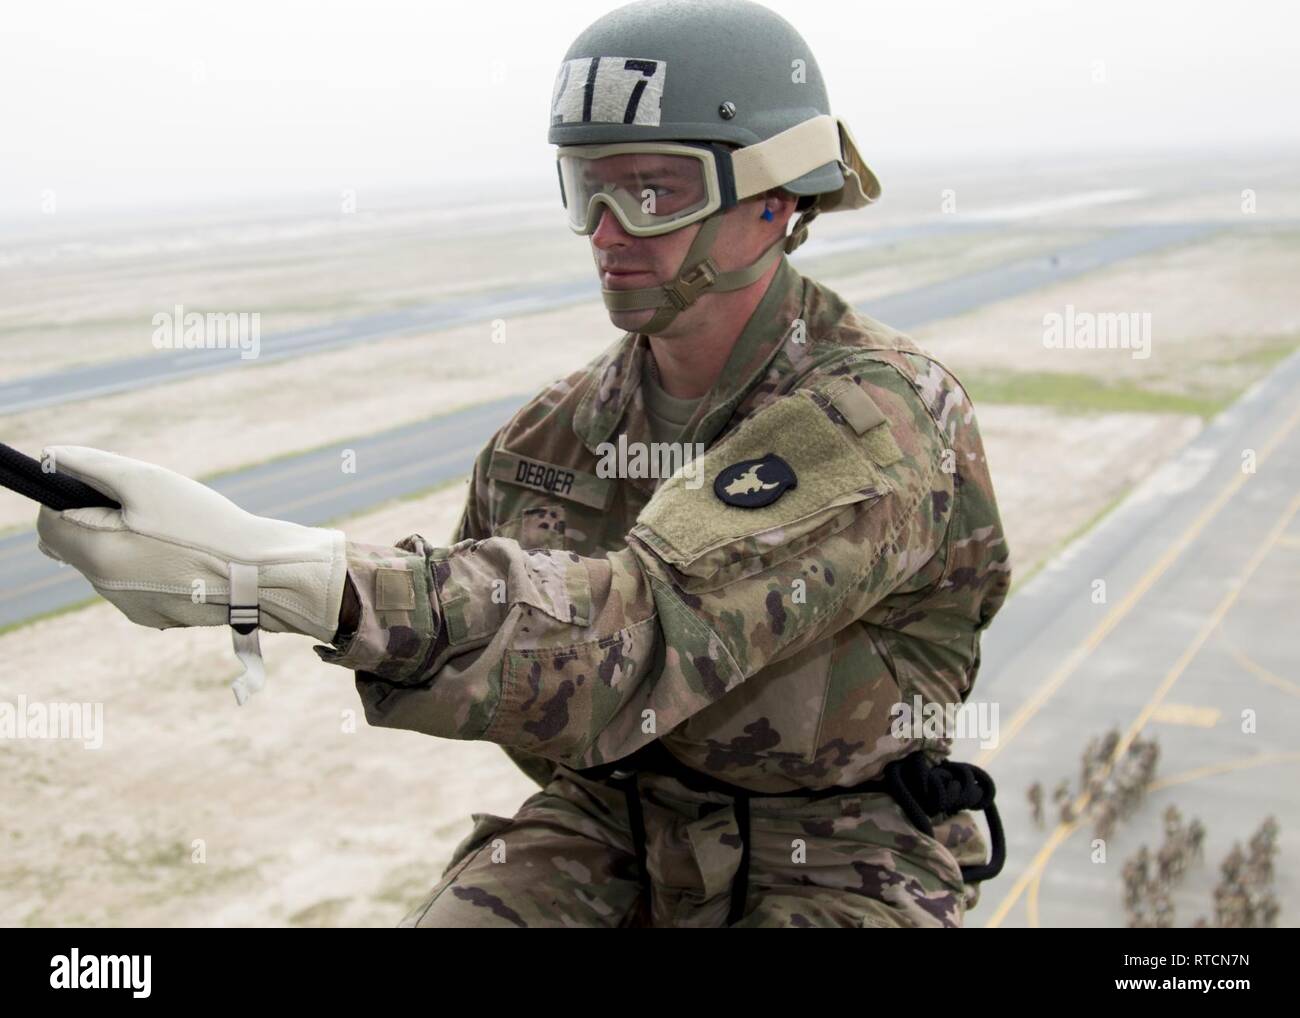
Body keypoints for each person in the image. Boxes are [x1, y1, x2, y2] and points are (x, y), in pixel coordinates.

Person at [34, 0, 1012, 928]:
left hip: (839, 836)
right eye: (584, 186)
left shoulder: (875, 412)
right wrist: (249, 570)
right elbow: (509, 654)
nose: (606, 230)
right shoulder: (548, 439)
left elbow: (651, 620)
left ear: (776, 199)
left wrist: (294, 574)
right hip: (614, 815)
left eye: (654, 189)